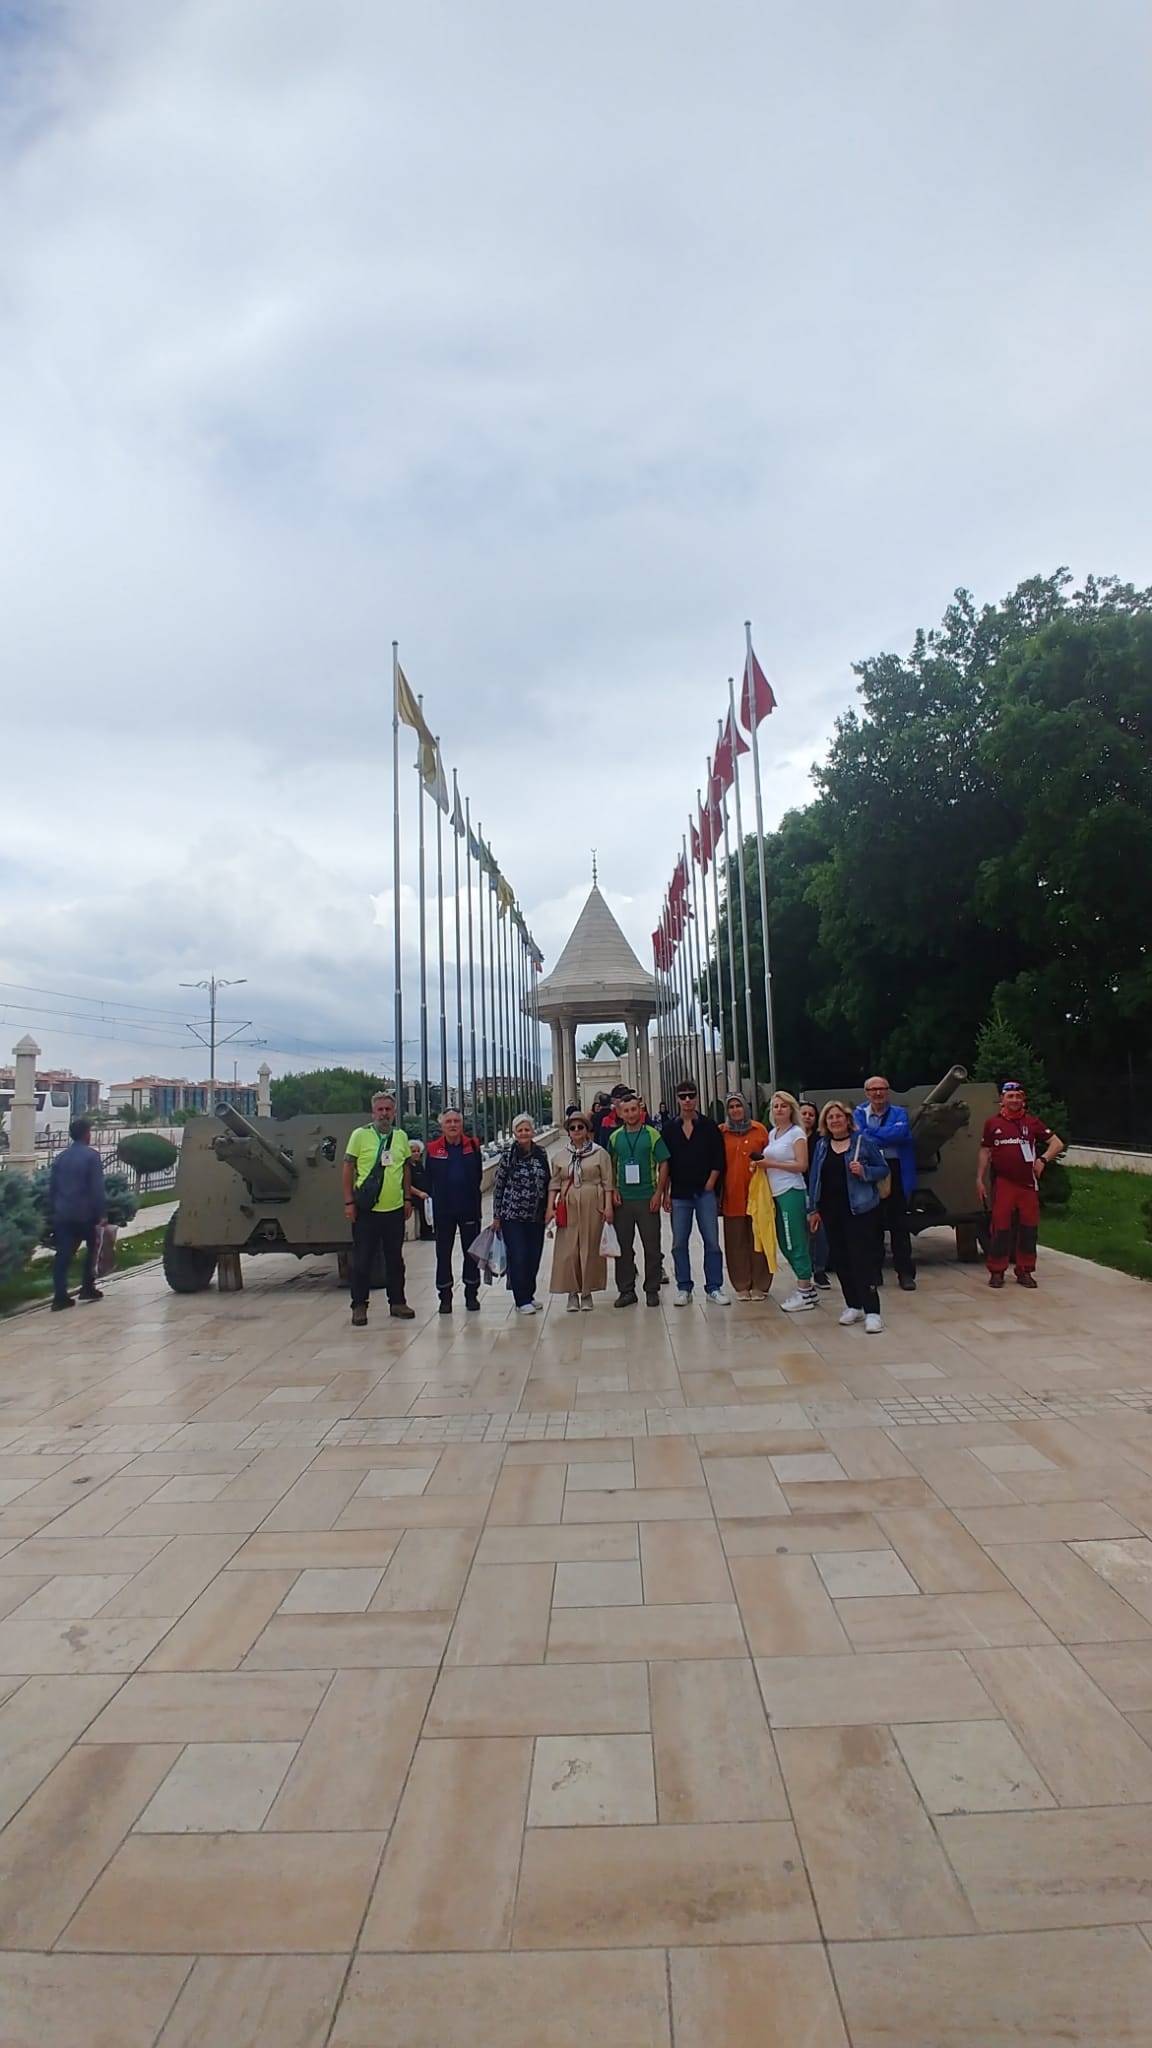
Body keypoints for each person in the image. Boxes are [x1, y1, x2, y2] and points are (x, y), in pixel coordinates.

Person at [807, 1100, 889, 1333]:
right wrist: (813, 1209)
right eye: (830, 1117)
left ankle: (872, 1311)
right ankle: (853, 1305)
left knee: (862, 1259)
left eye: (838, 1116)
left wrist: (864, 1172)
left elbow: (883, 1168)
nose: (835, 1121)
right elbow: (815, 1177)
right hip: (831, 1211)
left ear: (847, 1119)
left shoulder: (862, 1142)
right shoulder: (822, 1146)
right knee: (840, 1259)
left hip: (859, 1210)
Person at [977, 1080, 1064, 1290]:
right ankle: (997, 1271)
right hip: (1004, 1182)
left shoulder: (1032, 1123)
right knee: (1000, 1227)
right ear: (1002, 1100)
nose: (1014, 1100)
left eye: (1018, 1096)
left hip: (1027, 1184)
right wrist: (979, 1178)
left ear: (1023, 1100)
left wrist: (1042, 1160)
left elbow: (1057, 1144)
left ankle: (1025, 1270)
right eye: (1010, 1096)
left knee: (1028, 1227)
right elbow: (985, 1151)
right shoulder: (992, 1124)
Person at [342, 1091, 414, 1326]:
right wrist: (349, 1202)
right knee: (363, 1259)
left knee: (395, 1259)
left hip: (394, 1210)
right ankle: (359, 1305)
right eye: (380, 1110)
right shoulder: (360, 1136)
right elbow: (348, 1167)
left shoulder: (401, 1136)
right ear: (373, 1113)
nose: (384, 1114)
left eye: (388, 1110)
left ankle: (397, 1302)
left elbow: (405, 1168)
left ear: (394, 1113)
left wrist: (407, 1199)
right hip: (367, 1211)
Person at [662, 1079, 729, 1306]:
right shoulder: (669, 1129)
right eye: (683, 1096)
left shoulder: (709, 1126)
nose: (687, 1100)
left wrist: (711, 1183)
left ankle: (714, 1287)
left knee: (711, 1242)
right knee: (679, 1243)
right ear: (677, 1099)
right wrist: (665, 1192)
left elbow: (718, 1158)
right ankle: (684, 1287)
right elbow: (665, 1163)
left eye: (691, 1095)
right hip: (680, 1194)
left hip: (704, 1193)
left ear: (697, 1098)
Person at [854, 1076, 918, 1291]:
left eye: (882, 1089)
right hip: (870, 1169)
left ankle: (905, 1273)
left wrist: (870, 1133)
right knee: (872, 1224)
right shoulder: (859, 1113)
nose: (878, 1093)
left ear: (888, 1091)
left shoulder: (899, 1113)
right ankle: (874, 1273)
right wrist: (882, 1135)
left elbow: (899, 1134)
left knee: (899, 1223)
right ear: (867, 1093)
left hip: (895, 1168)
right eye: (873, 1089)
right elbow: (859, 1137)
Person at [547, 1109, 614, 1310]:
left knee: (590, 1247)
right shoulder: (560, 1156)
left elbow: (608, 1181)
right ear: (568, 1131)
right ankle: (571, 1292)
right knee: (569, 1249)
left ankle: (587, 1291)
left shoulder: (600, 1153)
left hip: (593, 1201)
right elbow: (554, 1183)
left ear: (587, 1129)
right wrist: (550, 1207)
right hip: (568, 1204)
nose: (576, 1130)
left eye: (580, 1127)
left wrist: (608, 1207)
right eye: (573, 1127)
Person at [608, 1091, 670, 1307]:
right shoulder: (615, 1137)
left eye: (634, 1109)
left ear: (640, 1110)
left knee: (652, 1247)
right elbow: (610, 1165)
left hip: (647, 1198)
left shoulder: (652, 1134)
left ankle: (652, 1289)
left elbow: (664, 1163)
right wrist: (613, 1189)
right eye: (626, 1110)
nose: (631, 1114)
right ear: (620, 1113)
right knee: (623, 1248)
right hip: (623, 1200)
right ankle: (626, 1291)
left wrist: (659, 1192)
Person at [760, 1091, 819, 1313]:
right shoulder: (773, 1133)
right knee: (784, 1242)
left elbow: (802, 1165)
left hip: (791, 1190)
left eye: (783, 1106)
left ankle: (804, 1288)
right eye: (775, 1106)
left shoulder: (796, 1133)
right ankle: (807, 1286)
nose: (779, 1110)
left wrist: (771, 1164)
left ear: (791, 1109)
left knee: (795, 1240)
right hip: (775, 1193)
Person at [423, 1109, 484, 1313]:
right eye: (448, 1121)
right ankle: (445, 1297)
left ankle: (471, 1294)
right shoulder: (432, 1149)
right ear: (442, 1125)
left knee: (471, 1253)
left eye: (456, 1121)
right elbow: (428, 1179)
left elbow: (478, 1175)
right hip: (443, 1211)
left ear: (461, 1124)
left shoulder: (473, 1146)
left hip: (469, 1208)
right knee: (443, 1254)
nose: (452, 1125)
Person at [492, 1112, 550, 1313]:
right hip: (512, 1216)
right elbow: (498, 1187)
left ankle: (529, 1294)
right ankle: (521, 1299)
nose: (524, 1133)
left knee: (533, 1256)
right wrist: (497, 1215)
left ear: (533, 1132)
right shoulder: (508, 1156)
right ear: (514, 1133)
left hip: (536, 1216)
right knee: (519, 1255)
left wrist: (549, 1208)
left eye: (527, 1129)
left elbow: (547, 1181)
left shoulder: (541, 1154)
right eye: (520, 1130)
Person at [48, 1117, 107, 1311]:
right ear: (86, 1134)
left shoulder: (61, 1157)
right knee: (93, 1249)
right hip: (85, 1213)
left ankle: (60, 1296)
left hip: (63, 1213)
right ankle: (87, 1287)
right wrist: (102, 1213)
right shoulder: (91, 1156)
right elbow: (96, 1187)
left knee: (63, 1254)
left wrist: (53, 1210)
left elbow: (53, 1187)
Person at [719, 1093, 772, 1299]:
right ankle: (741, 1284)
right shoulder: (722, 1132)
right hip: (732, 1196)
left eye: (738, 1106)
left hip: (758, 1195)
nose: (735, 1110)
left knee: (759, 1240)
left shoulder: (759, 1130)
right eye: (731, 1107)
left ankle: (760, 1284)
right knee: (736, 1242)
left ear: (745, 1108)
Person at [798, 1101, 832, 1287]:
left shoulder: (821, 1139)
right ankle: (804, 1270)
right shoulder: (791, 1136)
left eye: (811, 1114)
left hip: (817, 1190)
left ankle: (820, 1270)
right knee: (801, 1234)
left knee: (819, 1232)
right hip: (796, 1188)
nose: (807, 1117)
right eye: (803, 1113)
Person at [405, 1140, 436, 1241]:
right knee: (422, 1203)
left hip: (423, 1192)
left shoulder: (419, 1165)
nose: (416, 1153)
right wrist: (419, 1193)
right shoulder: (406, 1166)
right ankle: (425, 1233)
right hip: (412, 1195)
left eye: (418, 1151)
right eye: (413, 1151)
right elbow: (406, 1185)